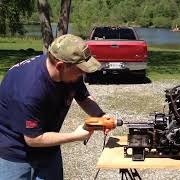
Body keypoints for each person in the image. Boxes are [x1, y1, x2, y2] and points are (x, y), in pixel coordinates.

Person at [0, 34, 108, 180]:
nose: (83, 74)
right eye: (80, 70)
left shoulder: (70, 74)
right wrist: (76, 136)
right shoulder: (30, 90)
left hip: (49, 150)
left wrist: (101, 116)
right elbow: (34, 139)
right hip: (15, 154)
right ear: (60, 66)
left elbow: (83, 98)